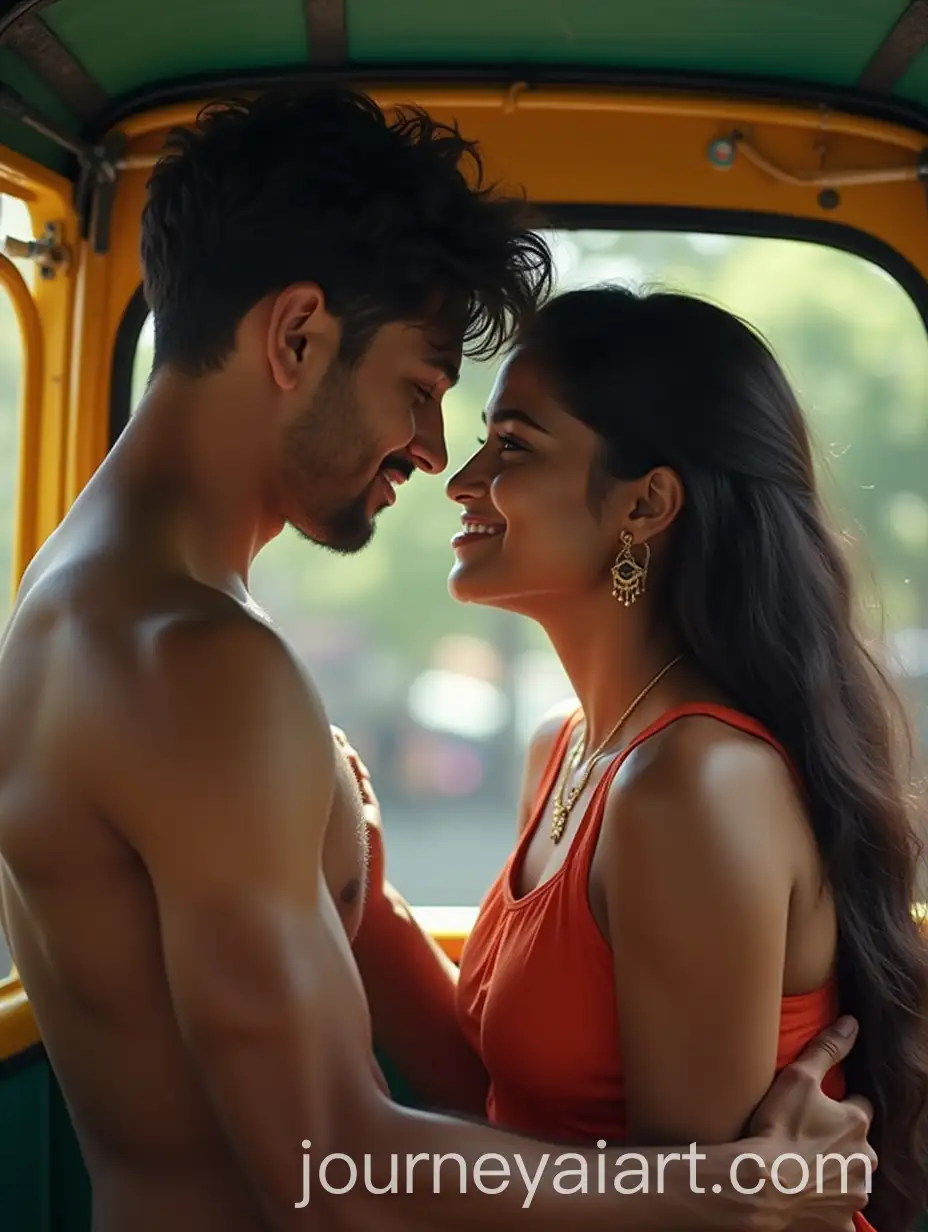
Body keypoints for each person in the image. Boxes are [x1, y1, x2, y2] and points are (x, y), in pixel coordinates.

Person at [0, 86, 874, 1232]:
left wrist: (361, 892)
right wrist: (734, 1187)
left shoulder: (68, 594)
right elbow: (329, 1175)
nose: (432, 454)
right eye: (419, 390)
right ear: (296, 336)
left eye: (501, 439)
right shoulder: (202, 665)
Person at [352, 285, 928, 1232]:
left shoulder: (691, 784)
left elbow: (689, 1216)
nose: (461, 480)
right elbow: (506, 1099)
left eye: (513, 447)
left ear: (647, 503)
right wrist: (364, 895)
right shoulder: (567, 747)